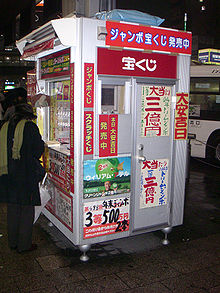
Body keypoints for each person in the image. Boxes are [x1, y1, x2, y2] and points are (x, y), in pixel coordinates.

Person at [0, 88, 45, 253]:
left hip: (6, 175)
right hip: (24, 175)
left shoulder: (4, 126)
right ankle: (24, 245)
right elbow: (37, 150)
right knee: (26, 209)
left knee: (12, 209)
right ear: (28, 115)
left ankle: (12, 242)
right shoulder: (29, 127)